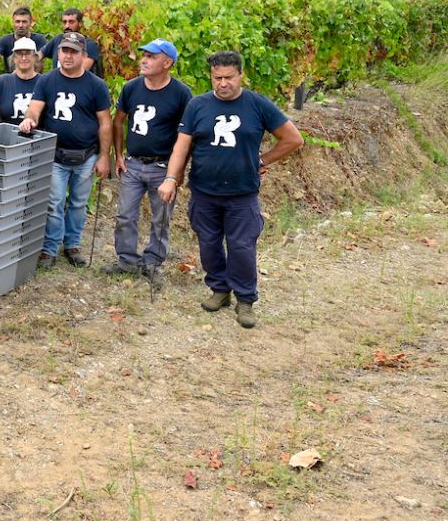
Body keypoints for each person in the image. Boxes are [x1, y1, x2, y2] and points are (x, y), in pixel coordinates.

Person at [158, 50, 302, 329]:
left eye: (228, 78)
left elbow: (293, 139)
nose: (223, 83)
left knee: (241, 247)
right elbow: (181, 147)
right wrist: (171, 179)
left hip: (241, 194)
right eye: (217, 78)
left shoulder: (258, 105)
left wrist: (262, 160)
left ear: (240, 75)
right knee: (208, 244)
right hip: (204, 192)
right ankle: (220, 290)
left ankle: (245, 300)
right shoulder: (197, 106)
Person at [19, 32, 112, 268]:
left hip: (86, 156)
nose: (68, 56)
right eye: (64, 50)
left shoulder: (96, 85)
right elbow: (35, 108)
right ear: (58, 52)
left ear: (84, 55)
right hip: (55, 155)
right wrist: (29, 119)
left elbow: (105, 123)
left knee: (79, 204)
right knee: (54, 203)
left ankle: (72, 245)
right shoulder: (47, 80)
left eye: (73, 51)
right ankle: (49, 249)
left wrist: (104, 157)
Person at [106, 39, 193, 291]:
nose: (144, 60)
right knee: (125, 214)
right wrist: (119, 155)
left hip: (163, 168)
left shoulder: (181, 94)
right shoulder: (131, 88)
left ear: (167, 63)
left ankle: (153, 262)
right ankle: (126, 260)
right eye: (144, 55)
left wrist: (176, 174)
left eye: (152, 57)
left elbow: (186, 137)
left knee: (161, 218)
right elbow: (119, 120)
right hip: (133, 165)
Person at [0, 37, 42, 126]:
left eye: (28, 53)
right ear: (14, 58)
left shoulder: (43, 82)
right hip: (7, 135)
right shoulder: (4, 81)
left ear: (35, 57)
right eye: (19, 54)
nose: (23, 58)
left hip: (38, 136)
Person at [0, 7, 48, 84]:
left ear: (31, 23)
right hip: (11, 82)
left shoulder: (39, 39)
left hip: (35, 82)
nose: (20, 25)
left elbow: (39, 62)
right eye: (18, 21)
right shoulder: (5, 40)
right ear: (13, 23)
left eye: (24, 22)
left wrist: (22, 74)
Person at [41, 8, 103, 78]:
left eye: (71, 22)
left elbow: (80, 71)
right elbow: (38, 56)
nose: (67, 26)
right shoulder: (57, 40)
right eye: (64, 22)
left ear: (80, 23)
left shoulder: (89, 45)